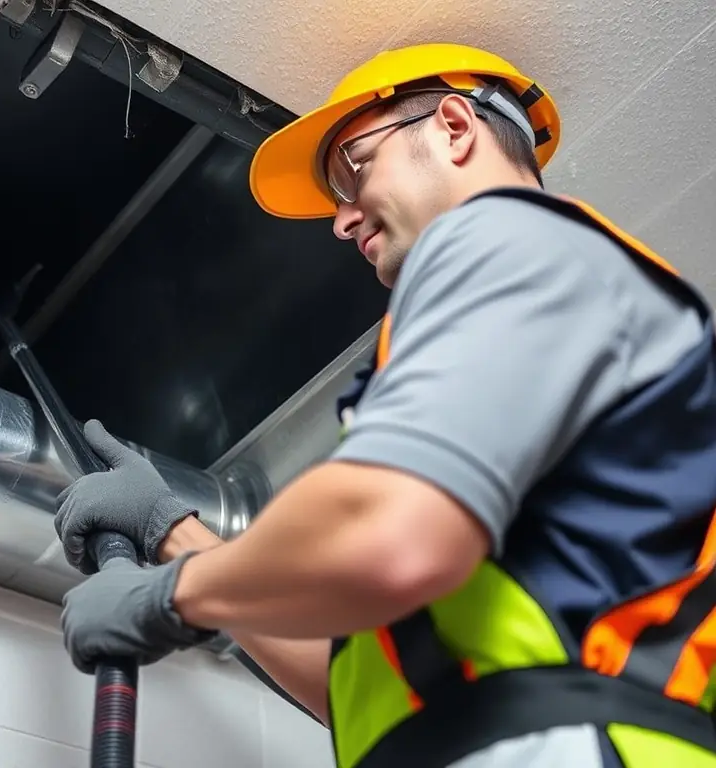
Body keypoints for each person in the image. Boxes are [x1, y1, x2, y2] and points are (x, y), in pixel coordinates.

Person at [52, 43, 716, 768]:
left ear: (455, 126)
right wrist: (172, 533)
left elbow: (394, 537)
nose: (341, 220)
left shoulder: (508, 236)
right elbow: (365, 694)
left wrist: (168, 597)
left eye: (355, 167)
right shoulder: (514, 343)